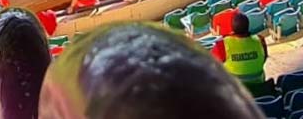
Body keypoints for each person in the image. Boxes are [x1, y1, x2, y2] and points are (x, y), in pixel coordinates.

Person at [40, 23, 262, 119]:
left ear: (232, 30)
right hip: (258, 83)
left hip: (241, 82)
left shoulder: (224, 45)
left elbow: (215, 60)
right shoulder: (259, 40)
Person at [217, 10, 269, 93]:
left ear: (232, 28)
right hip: (259, 86)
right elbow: (264, 58)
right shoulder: (260, 40)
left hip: (235, 91)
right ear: (248, 26)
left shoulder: (222, 44)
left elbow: (212, 64)